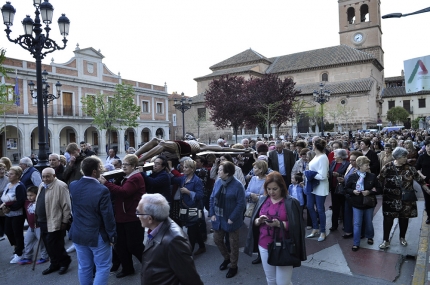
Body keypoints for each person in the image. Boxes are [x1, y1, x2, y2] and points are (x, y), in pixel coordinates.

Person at [244, 171, 306, 285]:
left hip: (284, 246)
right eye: (268, 189)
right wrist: (258, 221)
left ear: (282, 187)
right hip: (264, 245)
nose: (271, 192)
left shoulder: (291, 202)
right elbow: (255, 220)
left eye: (274, 189)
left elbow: (298, 226)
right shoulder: (262, 199)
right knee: (271, 280)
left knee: (283, 282)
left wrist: (279, 224)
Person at [69, 156, 117, 285]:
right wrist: (112, 236)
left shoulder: (73, 185)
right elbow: (108, 216)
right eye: (100, 169)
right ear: (95, 172)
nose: (102, 171)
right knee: (103, 267)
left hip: (78, 232)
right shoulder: (102, 190)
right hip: (97, 234)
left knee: (84, 267)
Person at [137, 193, 203, 285]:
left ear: (150, 218)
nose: (137, 216)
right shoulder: (157, 229)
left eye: (138, 212)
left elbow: (190, 278)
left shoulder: (174, 240)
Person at [99, 154, 145, 278]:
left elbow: (124, 192)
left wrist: (106, 183)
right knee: (120, 245)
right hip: (122, 216)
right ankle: (127, 268)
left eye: (127, 165)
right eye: (123, 164)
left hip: (131, 217)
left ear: (134, 166)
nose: (123, 167)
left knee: (134, 246)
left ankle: (151, 265)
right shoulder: (127, 176)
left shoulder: (135, 177)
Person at [378, 147, 430, 249]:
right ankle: (386, 240)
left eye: (406, 156)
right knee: (388, 219)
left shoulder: (410, 167)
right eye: (404, 156)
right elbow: (379, 179)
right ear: (397, 157)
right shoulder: (388, 167)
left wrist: (428, 191)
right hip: (390, 199)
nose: (406, 158)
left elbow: (420, 181)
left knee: (404, 219)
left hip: (406, 199)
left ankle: (402, 238)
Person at [209, 161, 246, 279]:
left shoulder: (237, 185)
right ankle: (227, 258)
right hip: (218, 217)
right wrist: (212, 213)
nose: (218, 171)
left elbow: (241, 204)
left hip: (231, 219)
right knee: (217, 239)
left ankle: (233, 266)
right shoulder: (218, 182)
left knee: (233, 244)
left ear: (228, 173)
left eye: (220, 170)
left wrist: (232, 217)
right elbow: (212, 198)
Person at [35, 168, 72, 275]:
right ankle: (54, 263)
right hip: (43, 220)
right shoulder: (42, 185)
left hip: (55, 220)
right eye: (43, 176)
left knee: (55, 244)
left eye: (48, 176)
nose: (45, 179)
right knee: (48, 244)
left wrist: (65, 221)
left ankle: (64, 262)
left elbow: (66, 206)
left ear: (54, 176)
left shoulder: (61, 186)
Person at [345, 156, 381, 251]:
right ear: (360, 166)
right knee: (357, 223)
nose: (368, 167)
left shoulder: (372, 176)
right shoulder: (352, 177)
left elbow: (379, 189)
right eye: (366, 165)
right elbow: (346, 189)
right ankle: (356, 243)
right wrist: (353, 191)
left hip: (368, 203)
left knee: (368, 221)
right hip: (356, 203)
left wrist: (370, 192)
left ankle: (369, 236)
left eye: (368, 164)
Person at [171, 160, 205, 255]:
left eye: (186, 167)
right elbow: (173, 179)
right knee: (194, 229)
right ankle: (202, 247)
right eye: (183, 167)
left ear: (192, 169)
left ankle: (188, 254)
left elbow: (200, 195)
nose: (184, 169)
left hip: (193, 208)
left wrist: (188, 192)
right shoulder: (183, 178)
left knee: (191, 231)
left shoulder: (197, 180)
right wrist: (170, 170)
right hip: (185, 208)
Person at [135, 137, 248, 165]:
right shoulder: (191, 140)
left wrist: (241, 150)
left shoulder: (202, 146)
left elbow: (222, 149)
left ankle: (141, 160)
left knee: (162, 144)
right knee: (155, 140)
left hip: (181, 147)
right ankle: (135, 156)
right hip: (177, 145)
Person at [17, 186, 49, 265]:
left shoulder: (40, 202)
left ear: (36, 194)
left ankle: (44, 256)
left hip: (39, 226)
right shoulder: (26, 202)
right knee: (27, 241)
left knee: (42, 242)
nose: (29, 197)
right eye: (28, 195)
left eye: (31, 195)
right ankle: (28, 257)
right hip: (31, 226)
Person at [244, 160, 268, 265]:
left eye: (256, 168)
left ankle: (264, 253)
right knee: (254, 230)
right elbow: (246, 191)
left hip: (263, 208)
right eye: (254, 168)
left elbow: (270, 194)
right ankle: (258, 252)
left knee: (263, 231)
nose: (254, 170)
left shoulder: (268, 180)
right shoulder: (253, 179)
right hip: (253, 207)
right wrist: (250, 195)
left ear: (262, 169)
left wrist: (259, 197)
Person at [0, 166, 26, 263]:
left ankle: (20, 253)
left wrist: (9, 208)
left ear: (18, 176)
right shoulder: (8, 185)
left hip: (17, 214)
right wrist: (3, 207)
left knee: (17, 233)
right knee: (8, 231)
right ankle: (18, 249)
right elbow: (4, 197)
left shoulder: (19, 186)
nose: (8, 175)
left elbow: (20, 201)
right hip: (8, 214)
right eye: (8, 173)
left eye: (11, 174)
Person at [306, 138, 329, 242]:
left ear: (315, 145)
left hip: (320, 186)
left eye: (312, 144)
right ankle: (315, 228)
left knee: (320, 209)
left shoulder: (323, 157)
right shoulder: (316, 155)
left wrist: (310, 174)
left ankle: (323, 231)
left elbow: (323, 176)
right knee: (310, 206)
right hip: (312, 185)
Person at [328, 149, 350, 231]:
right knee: (335, 207)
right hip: (334, 188)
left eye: (335, 155)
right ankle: (334, 225)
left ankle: (346, 225)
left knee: (344, 208)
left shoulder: (347, 164)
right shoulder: (333, 163)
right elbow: (330, 172)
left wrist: (339, 175)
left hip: (343, 189)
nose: (334, 156)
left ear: (340, 157)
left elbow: (348, 176)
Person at [416, 141, 430, 224]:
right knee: (428, 200)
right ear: (425, 147)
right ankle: (429, 216)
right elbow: (417, 168)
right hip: (426, 182)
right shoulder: (422, 157)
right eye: (428, 146)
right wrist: (422, 176)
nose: (429, 148)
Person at [0, 162, 9, 241]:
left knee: (4, 220)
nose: (2, 171)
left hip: (4, 204)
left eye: (3, 169)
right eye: (0, 169)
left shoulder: (7, 179)